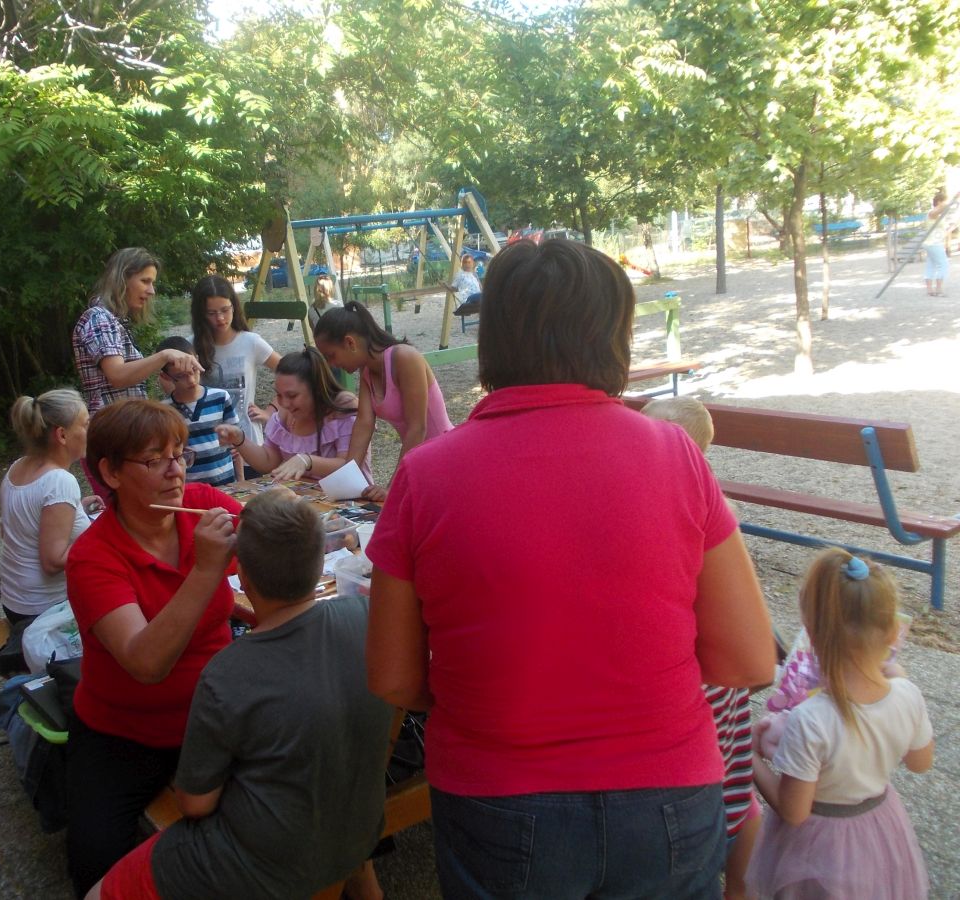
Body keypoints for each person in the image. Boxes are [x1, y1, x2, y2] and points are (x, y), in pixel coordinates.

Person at [365, 238, 775, 898]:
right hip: (667, 794)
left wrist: (492, 701)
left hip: (494, 795)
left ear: (493, 337)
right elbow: (752, 660)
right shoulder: (675, 455)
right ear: (614, 335)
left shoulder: (426, 475)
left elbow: (391, 675)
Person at [86, 489, 394, 900]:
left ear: (242, 577)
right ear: (322, 562)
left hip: (264, 866)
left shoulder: (227, 673)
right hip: (358, 828)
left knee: (99, 891)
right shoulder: (366, 616)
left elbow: (195, 804)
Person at [64, 399, 241, 897]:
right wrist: (207, 569)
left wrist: (276, 529)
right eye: (154, 459)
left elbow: (276, 550)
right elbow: (146, 662)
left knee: (299, 802)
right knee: (95, 869)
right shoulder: (93, 557)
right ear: (111, 473)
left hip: (214, 718)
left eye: (179, 454)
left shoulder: (203, 505)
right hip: (123, 733)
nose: (176, 470)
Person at [747, 549, 934, 899]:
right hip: (879, 829)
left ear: (812, 636)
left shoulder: (810, 719)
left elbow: (794, 811)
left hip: (817, 850)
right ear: (894, 630)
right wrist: (898, 679)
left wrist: (748, 756)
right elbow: (920, 763)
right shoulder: (907, 694)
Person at [641, 395, 760, 900]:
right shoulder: (680, 497)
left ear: (697, 456)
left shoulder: (706, 508)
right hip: (697, 670)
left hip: (704, 675)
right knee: (730, 787)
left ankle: (737, 886)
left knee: (731, 790)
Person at [314, 302, 452, 501]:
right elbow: (363, 425)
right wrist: (343, 483)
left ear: (350, 343)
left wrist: (392, 487)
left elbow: (417, 428)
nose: (331, 365)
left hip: (444, 457)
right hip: (421, 460)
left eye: (331, 356)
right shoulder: (367, 372)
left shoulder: (404, 357)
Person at [0, 389, 99, 625]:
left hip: (14, 601)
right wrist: (102, 537)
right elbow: (53, 562)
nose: (90, 430)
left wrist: (75, 510)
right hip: (46, 609)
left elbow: (14, 530)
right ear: (62, 435)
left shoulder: (17, 468)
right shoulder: (60, 481)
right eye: (85, 424)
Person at [72, 248, 202, 415]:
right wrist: (164, 356)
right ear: (122, 279)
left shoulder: (114, 321)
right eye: (145, 281)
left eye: (152, 283)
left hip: (123, 426)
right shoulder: (100, 318)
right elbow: (117, 375)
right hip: (112, 427)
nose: (151, 291)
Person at [214, 347, 368, 483]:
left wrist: (307, 461)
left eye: (292, 396)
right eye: (279, 395)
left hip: (352, 500)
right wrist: (239, 439)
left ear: (316, 389)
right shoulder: (285, 415)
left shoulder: (343, 408)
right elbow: (267, 461)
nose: (285, 403)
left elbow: (349, 465)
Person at [189, 274, 280, 443]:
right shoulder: (190, 346)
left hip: (249, 442)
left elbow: (294, 373)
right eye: (211, 313)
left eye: (225, 310)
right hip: (208, 444)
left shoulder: (251, 342)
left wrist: (270, 411)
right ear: (201, 314)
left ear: (234, 307)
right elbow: (169, 385)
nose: (220, 318)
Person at [155, 336, 242, 487]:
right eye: (181, 376)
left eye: (194, 370)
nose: (191, 380)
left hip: (228, 485)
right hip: (192, 491)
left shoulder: (221, 397)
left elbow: (237, 442)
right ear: (165, 376)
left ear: (197, 360)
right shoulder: (165, 411)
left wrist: (241, 481)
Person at [923, 189, 953, 297]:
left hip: (934, 242)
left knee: (931, 265)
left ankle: (930, 290)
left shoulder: (940, 216)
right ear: (939, 202)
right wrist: (954, 198)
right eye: (945, 201)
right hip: (933, 243)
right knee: (943, 264)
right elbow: (940, 210)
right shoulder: (932, 212)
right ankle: (938, 289)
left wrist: (951, 228)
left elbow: (942, 232)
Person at [450, 252, 483, 317]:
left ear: (473, 264)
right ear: (461, 264)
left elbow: (481, 288)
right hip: (468, 299)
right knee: (486, 295)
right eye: (465, 262)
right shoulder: (460, 275)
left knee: (489, 295)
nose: (467, 265)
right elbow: (453, 288)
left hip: (477, 298)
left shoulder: (474, 275)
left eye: (469, 262)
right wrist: (444, 285)